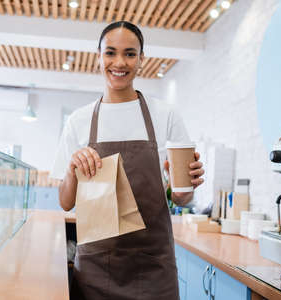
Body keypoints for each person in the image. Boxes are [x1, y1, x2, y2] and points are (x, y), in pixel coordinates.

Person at [50, 21, 205, 300]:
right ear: (98, 56)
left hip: (154, 266)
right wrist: (73, 169)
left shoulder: (165, 115)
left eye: (130, 54)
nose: (119, 62)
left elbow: (181, 198)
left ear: (141, 59)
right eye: (110, 52)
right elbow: (65, 202)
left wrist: (183, 184)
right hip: (96, 268)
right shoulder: (79, 120)